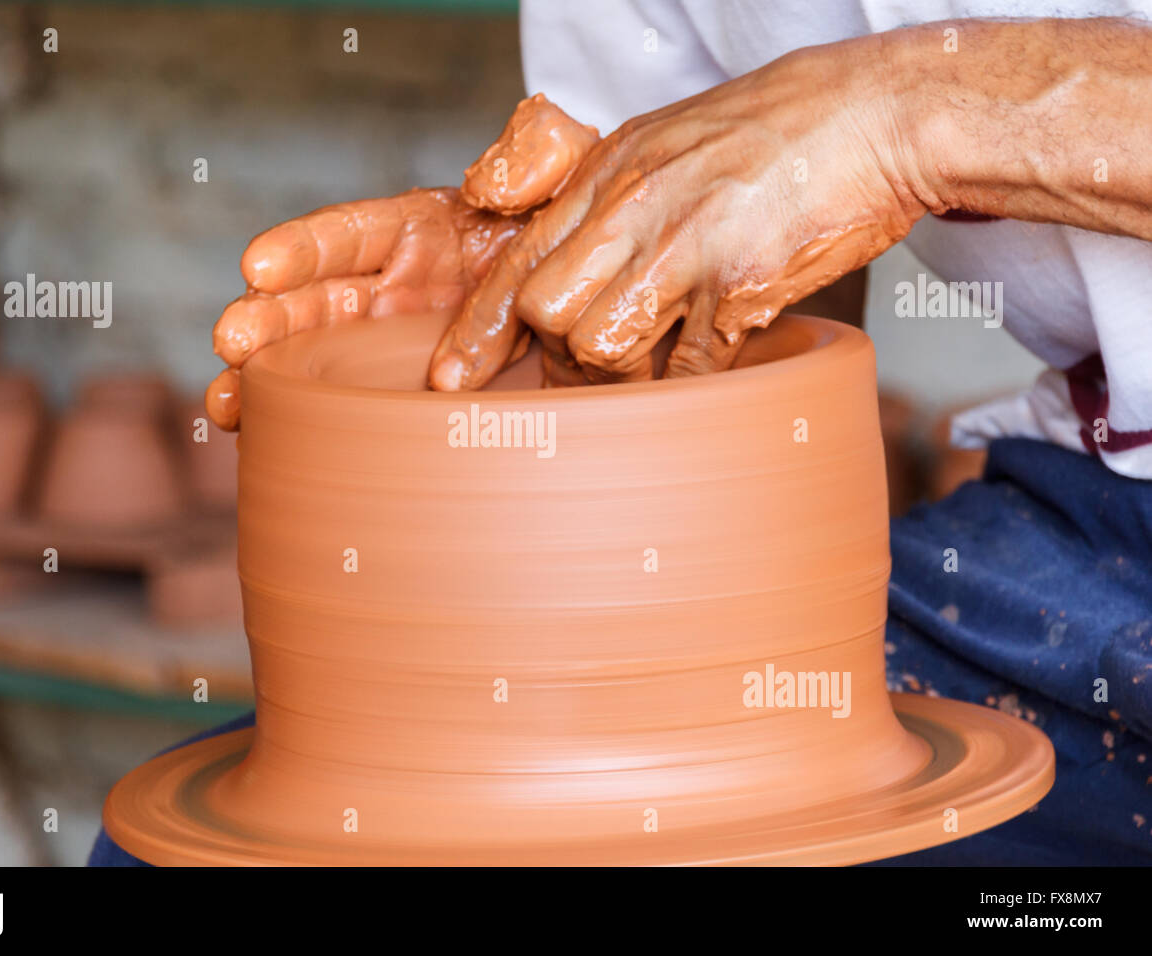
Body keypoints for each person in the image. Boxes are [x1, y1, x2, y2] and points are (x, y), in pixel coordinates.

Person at [94, 4, 1152, 864]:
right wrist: (576, 279)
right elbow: (736, 294)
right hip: (1090, 520)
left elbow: (868, 123)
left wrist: (915, 105)